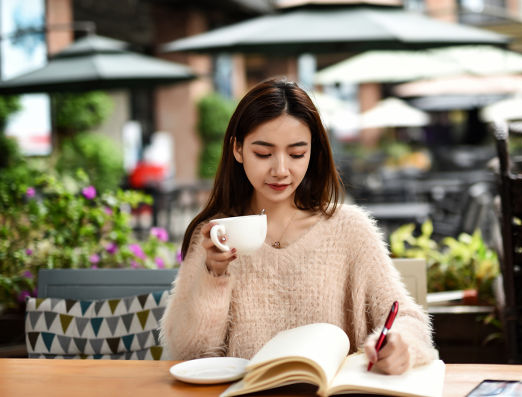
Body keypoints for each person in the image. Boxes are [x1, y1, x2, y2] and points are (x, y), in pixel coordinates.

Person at [160, 77, 437, 375]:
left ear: (313, 153)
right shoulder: (215, 233)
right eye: (263, 153)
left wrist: (399, 345)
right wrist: (214, 275)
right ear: (237, 149)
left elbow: (408, 319)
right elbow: (187, 354)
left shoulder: (350, 230)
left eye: (296, 154)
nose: (280, 170)